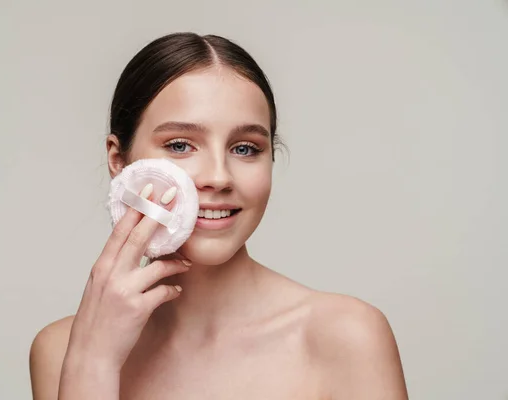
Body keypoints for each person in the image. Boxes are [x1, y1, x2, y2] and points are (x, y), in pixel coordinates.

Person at [29, 32, 409, 400]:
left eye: (245, 148)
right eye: (180, 145)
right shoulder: (61, 350)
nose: (218, 177)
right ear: (119, 160)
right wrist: (94, 363)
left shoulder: (344, 337)